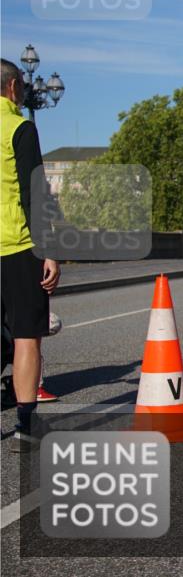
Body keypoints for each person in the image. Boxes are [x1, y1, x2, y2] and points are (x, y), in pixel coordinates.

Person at [0, 58, 61, 452]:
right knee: (26, 337)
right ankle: (25, 425)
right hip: (17, 245)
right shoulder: (19, 127)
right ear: (13, 87)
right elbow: (33, 193)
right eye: (22, 86)